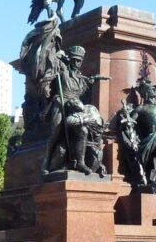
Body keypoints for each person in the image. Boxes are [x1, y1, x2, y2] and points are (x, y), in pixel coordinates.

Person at [42, 45, 109, 174]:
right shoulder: (63, 70)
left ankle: (80, 162)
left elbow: (80, 94)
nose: (76, 63)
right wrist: (59, 55)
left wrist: (90, 83)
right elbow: (53, 60)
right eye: (74, 60)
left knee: (83, 130)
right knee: (55, 133)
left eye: (79, 60)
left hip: (74, 107)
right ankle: (45, 163)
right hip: (61, 103)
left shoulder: (81, 79)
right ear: (70, 59)